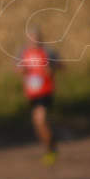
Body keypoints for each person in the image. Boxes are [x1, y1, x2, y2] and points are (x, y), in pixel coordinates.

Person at [16, 28, 60, 165]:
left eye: (35, 37)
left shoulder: (47, 51)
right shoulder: (23, 53)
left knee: (40, 119)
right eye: (30, 38)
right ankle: (51, 144)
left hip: (46, 91)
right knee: (38, 124)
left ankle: (51, 149)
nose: (33, 41)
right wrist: (22, 70)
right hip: (32, 93)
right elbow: (16, 69)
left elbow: (61, 65)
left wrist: (51, 69)